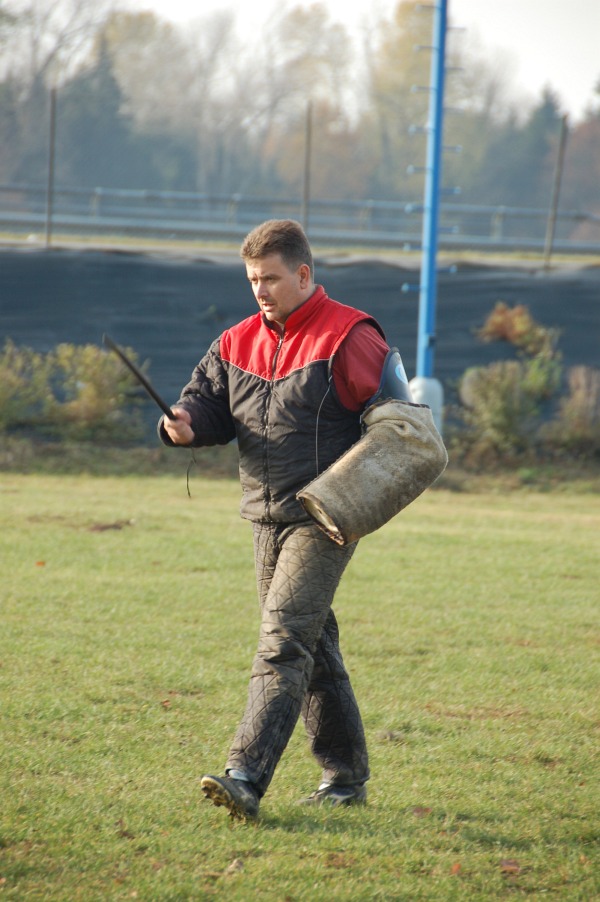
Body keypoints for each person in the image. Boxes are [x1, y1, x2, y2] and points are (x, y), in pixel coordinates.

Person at [159, 219, 417, 821]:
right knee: (312, 643)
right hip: (262, 515)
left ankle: (245, 775)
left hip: (323, 516)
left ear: (303, 273)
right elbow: (208, 403)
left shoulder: (350, 336)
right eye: (252, 280)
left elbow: (403, 430)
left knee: (282, 641)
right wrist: (185, 425)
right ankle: (346, 776)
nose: (261, 291)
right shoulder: (235, 340)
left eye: (270, 278)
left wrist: (355, 499)